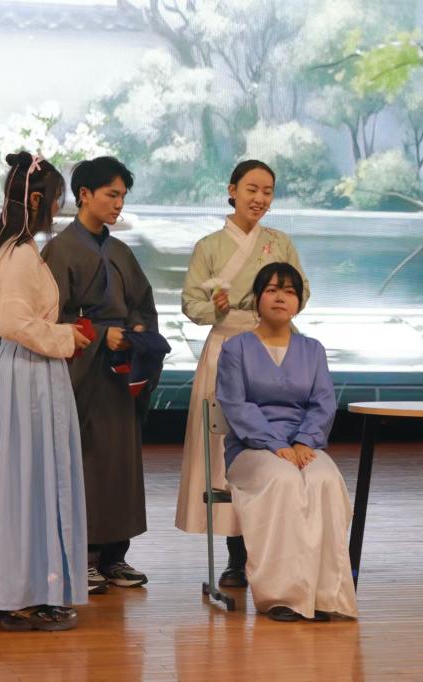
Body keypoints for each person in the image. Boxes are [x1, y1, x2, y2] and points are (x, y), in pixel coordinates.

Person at [0, 152, 92, 632]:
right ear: (35, 200)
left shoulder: (11, 248)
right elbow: (14, 322)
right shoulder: (20, 253)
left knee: (19, 479)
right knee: (23, 481)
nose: (57, 209)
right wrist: (66, 336)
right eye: (55, 200)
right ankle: (18, 593)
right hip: (26, 373)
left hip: (23, 372)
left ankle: (21, 589)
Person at [174, 160, 309, 587]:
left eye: (268, 191)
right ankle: (237, 556)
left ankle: (276, 551)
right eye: (252, 189)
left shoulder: (280, 242)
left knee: (277, 439)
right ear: (232, 190)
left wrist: (276, 305)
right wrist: (215, 309)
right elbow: (191, 304)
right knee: (226, 451)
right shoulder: (209, 246)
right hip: (226, 350)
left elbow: (302, 291)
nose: (260, 199)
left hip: (274, 348)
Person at [42, 156, 163, 594]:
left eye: (123, 196)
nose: (118, 204)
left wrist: (136, 331)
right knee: (87, 462)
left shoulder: (121, 252)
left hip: (119, 376)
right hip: (82, 374)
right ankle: (84, 556)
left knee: (120, 464)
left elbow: (143, 306)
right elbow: (50, 317)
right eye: (112, 194)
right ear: (84, 195)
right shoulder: (59, 251)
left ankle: (115, 555)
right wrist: (99, 335)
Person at [217, 262, 357, 622]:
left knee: (325, 479)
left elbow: (323, 403)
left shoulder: (313, 349)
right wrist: (274, 442)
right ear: (257, 298)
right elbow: (236, 404)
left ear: (299, 303)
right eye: (272, 290)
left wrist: (305, 441)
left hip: (304, 445)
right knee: (282, 480)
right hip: (252, 448)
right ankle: (282, 596)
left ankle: (325, 596)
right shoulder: (235, 348)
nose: (281, 297)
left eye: (290, 291)